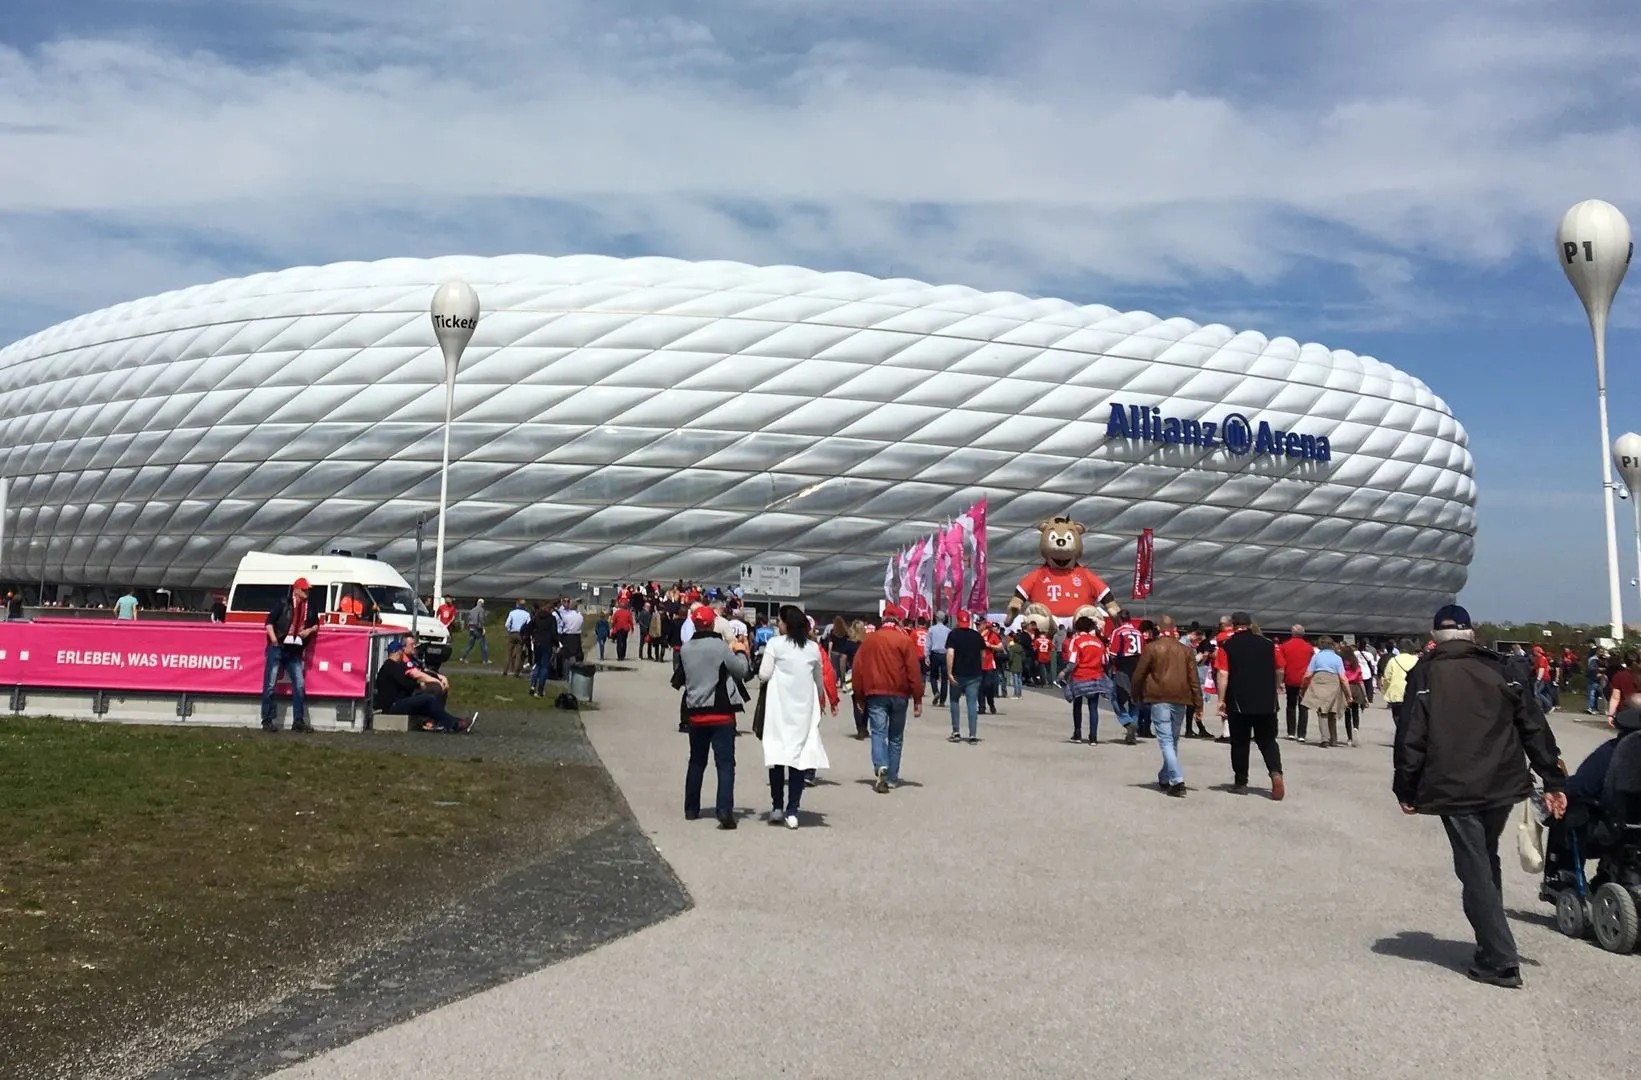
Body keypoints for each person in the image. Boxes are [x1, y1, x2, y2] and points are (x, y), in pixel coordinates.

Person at [1393, 604, 1566, 989]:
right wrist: (1553, 777)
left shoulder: (1426, 673)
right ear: (1471, 633)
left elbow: (1411, 736)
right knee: (1484, 859)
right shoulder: (1503, 668)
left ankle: (1500, 959)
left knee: (1474, 867)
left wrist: (1406, 786)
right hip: (1502, 782)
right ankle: (1492, 942)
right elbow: (1533, 725)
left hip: (1453, 785)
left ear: (1435, 637)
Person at [673, 605, 750, 829]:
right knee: (725, 764)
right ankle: (724, 809)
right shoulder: (720, 647)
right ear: (712, 623)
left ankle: (691, 808)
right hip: (721, 713)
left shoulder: (686, 649)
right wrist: (740, 651)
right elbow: (741, 671)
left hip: (696, 713)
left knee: (696, 761)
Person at [757, 605, 830, 828]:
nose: (777, 624)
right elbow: (819, 680)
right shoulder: (812, 648)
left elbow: (764, 674)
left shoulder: (775, 644)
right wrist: (821, 699)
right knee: (799, 759)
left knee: (778, 756)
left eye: (779, 621)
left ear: (786, 623)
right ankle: (793, 810)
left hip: (779, 708)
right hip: (803, 710)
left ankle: (777, 807)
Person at [850, 603, 924, 792]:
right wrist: (917, 698)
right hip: (900, 694)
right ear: (898, 620)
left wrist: (859, 697)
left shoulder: (869, 640)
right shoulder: (904, 640)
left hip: (876, 693)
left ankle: (880, 764)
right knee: (896, 737)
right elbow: (913, 671)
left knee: (878, 732)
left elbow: (858, 669)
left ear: (883, 619)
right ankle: (892, 777)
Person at [1216, 611, 1286, 800]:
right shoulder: (1269, 644)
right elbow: (1280, 668)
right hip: (1266, 700)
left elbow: (1223, 674)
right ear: (1249, 624)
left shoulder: (1227, 646)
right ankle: (1275, 773)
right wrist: (1277, 686)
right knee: (1268, 741)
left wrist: (1221, 700)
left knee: (1240, 743)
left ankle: (1241, 782)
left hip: (1239, 701)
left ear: (1233, 625)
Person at [1131, 615, 1202, 797]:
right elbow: (1194, 679)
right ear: (1174, 628)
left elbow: (1139, 674)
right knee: (1173, 740)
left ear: (1158, 629)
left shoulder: (1152, 648)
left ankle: (1177, 780)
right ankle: (1165, 776)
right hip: (1181, 698)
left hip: (1159, 696)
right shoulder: (1186, 651)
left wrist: (1134, 694)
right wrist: (1198, 704)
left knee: (1166, 740)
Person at [375, 639, 475, 732]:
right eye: (401, 650)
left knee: (428, 706)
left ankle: (456, 723)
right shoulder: (392, 666)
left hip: (397, 702)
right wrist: (420, 685)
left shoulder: (388, 666)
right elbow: (405, 683)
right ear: (398, 652)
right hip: (393, 705)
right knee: (428, 699)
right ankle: (456, 724)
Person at [262, 577, 319, 733]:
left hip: (294, 650)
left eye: (307, 590)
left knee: (299, 684)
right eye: (304, 589)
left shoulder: (310, 607)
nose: (307, 592)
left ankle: (298, 720)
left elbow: (316, 624)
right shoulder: (283, 603)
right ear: (296, 590)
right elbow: (269, 622)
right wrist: (274, 640)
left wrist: (309, 631)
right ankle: (267, 720)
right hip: (279, 646)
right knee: (270, 685)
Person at [1059, 615, 1111, 744]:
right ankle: (1093, 737)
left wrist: (1064, 672)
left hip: (1079, 678)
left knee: (1077, 706)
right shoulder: (1098, 642)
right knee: (1093, 708)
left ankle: (1077, 734)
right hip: (1096, 678)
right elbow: (1105, 660)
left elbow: (1073, 662)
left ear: (1077, 628)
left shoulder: (1076, 641)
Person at [945, 611, 986, 744]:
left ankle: (956, 731)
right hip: (974, 674)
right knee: (972, 704)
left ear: (958, 620)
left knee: (954, 701)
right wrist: (979, 666)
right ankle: (973, 734)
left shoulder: (953, 635)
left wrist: (949, 672)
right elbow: (983, 655)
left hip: (957, 673)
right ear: (968, 621)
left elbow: (950, 654)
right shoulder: (977, 636)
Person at [1300, 637, 1348, 746]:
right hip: (1334, 682)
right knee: (1332, 711)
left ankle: (1324, 739)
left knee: (1322, 712)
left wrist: (1303, 688)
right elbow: (1343, 677)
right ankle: (1334, 739)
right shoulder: (1337, 658)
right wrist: (1348, 693)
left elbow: (1308, 674)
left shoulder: (1316, 657)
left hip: (1319, 680)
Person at [1278, 625, 1313, 740]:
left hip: (1290, 679)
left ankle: (1291, 732)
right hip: (1305, 680)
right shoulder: (1309, 648)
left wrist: (1281, 681)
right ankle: (1302, 734)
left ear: (1292, 633)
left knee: (1291, 705)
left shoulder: (1284, 646)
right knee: (1303, 706)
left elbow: (1281, 665)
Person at [1381, 639, 1419, 733]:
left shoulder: (1393, 661)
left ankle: (1401, 732)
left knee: (1397, 715)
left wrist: (1386, 691)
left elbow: (1387, 678)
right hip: (1413, 693)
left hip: (1396, 692)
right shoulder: (1417, 660)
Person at [503, 599, 531, 676]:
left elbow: (507, 624)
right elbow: (529, 625)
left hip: (512, 633)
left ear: (517, 605)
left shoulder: (512, 613)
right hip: (521, 634)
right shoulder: (527, 614)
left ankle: (505, 670)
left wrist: (509, 630)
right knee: (518, 654)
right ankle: (516, 672)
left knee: (508, 652)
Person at [927, 615, 950, 706]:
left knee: (933, 676)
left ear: (936, 618)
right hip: (945, 654)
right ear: (944, 619)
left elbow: (928, 644)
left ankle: (936, 691)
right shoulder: (948, 630)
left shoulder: (931, 629)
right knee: (945, 678)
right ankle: (943, 700)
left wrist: (926, 656)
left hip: (935, 654)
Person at [461, 598, 490, 663]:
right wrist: (482, 628)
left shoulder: (472, 610)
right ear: (482, 603)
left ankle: (463, 657)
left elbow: (468, 619)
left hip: (471, 628)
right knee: (483, 644)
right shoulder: (481, 610)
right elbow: (481, 619)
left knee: (470, 644)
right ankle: (485, 660)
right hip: (477, 628)